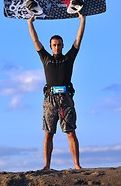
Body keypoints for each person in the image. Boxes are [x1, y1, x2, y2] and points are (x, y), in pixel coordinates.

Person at [27, 12, 86, 170]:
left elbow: (78, 40)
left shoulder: (68, 58)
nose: (57, 46)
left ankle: (77, 165)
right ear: (51, 46)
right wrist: (30, 23)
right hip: (50, 99)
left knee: (70, 132)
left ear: (62, 45)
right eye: (54, 44)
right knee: (48, 133)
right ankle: (46, 165)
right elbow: (35, 40)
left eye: (59, 44)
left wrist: (82, 20)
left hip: (66, 99)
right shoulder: (46, 58)